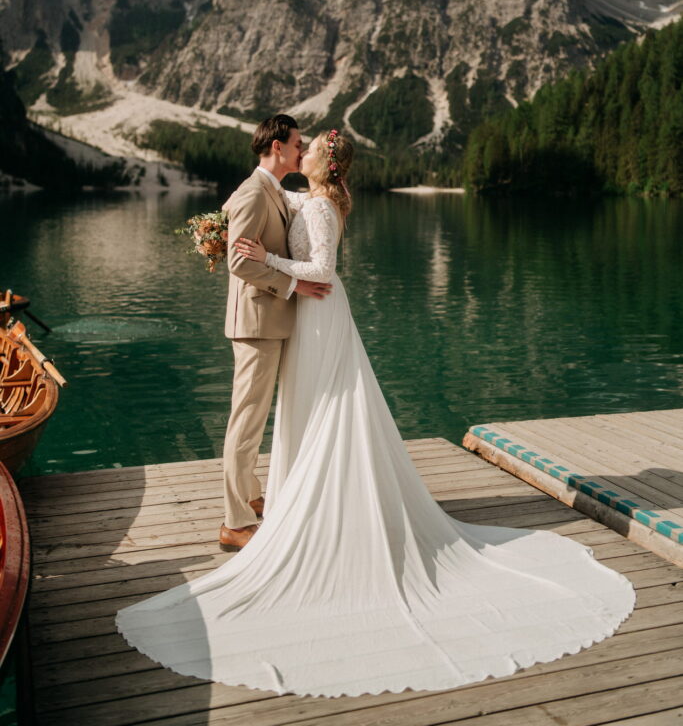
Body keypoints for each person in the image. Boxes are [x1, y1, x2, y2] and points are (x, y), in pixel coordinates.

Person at [117, 129, 635, 698]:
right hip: (304, 316)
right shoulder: (302, 197)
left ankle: (289, 504)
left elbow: (323, 269)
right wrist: (230, 237)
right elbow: (267, 204)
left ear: (321, 162)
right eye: (299, 143)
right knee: (311, 409)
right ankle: (280, 500)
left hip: (314, 311)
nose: (303, 149)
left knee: (323, 408)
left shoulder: (316, 204)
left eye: (310, 147)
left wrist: (271, 261)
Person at [219, 114, 331, 549]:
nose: (302, 151)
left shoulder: (270, 189)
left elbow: (238, 221)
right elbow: (239, 262)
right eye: (298, 144)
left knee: (253, 417)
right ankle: (234, 522)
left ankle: (250, 495)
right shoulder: (255, 191)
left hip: (268, 322)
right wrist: (293, 284)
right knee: (246, 422)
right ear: (279, 147)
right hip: (256, 323)